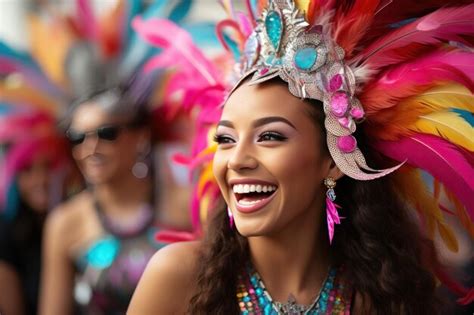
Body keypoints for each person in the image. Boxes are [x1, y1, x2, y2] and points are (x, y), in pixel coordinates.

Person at [128, 0, 474, 314]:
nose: (236, 160)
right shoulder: (177, 279)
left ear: (334, 161)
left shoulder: (377, 293)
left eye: (270, 136)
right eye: (226, 139)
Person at [0, 111, 78, 315]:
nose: (41, 179)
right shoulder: (5, 234)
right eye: (27, 169)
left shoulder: (86, 220)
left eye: (49, 166)